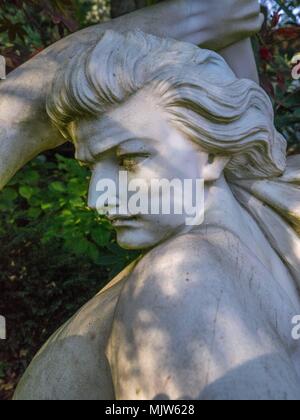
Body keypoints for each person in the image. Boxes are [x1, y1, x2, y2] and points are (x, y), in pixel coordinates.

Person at [13, 27, 300, 400]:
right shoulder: (266, 233)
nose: (97, 201)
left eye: (129, 158)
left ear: (211, 155)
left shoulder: (181, 280)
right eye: (90, 169)